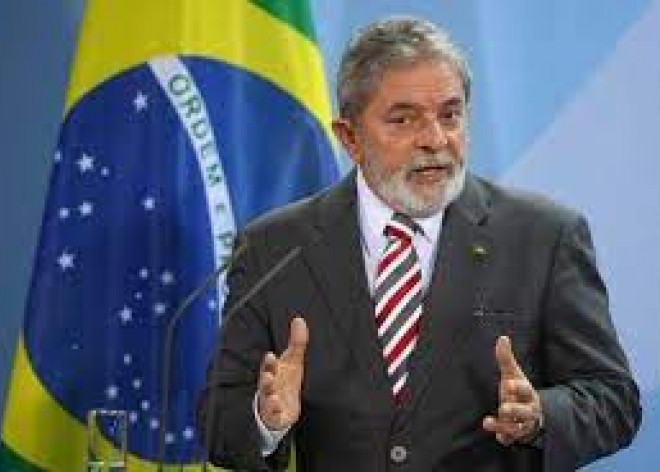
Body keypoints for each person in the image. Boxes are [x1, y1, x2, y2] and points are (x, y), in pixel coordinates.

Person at [198, 16, 641, 471]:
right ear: (349, 137)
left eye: (450, 115)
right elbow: (218, 419)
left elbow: (614, 399)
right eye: (403, 119)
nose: (434, 139)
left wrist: (541, 416)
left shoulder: (544, 237)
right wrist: (265, 419)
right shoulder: (275, 249)